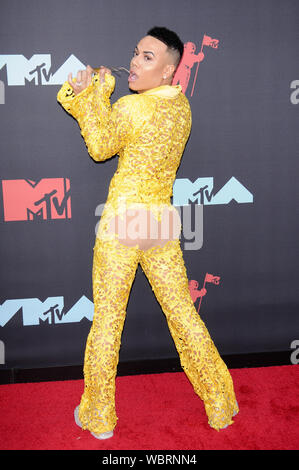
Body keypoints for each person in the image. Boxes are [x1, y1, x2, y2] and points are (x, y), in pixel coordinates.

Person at [57, 26, 239, 440]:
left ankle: (100, 418)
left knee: (106, 319)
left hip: (123, 221)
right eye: (136, 54)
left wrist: (91, 95)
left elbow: (101, 146)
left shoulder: (132, 108)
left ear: (170, 70)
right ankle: (220, 403)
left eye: (147, 58)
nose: (135, 64)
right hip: (160, 222)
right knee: (182, 313)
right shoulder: (183, 109)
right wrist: (100, 96)